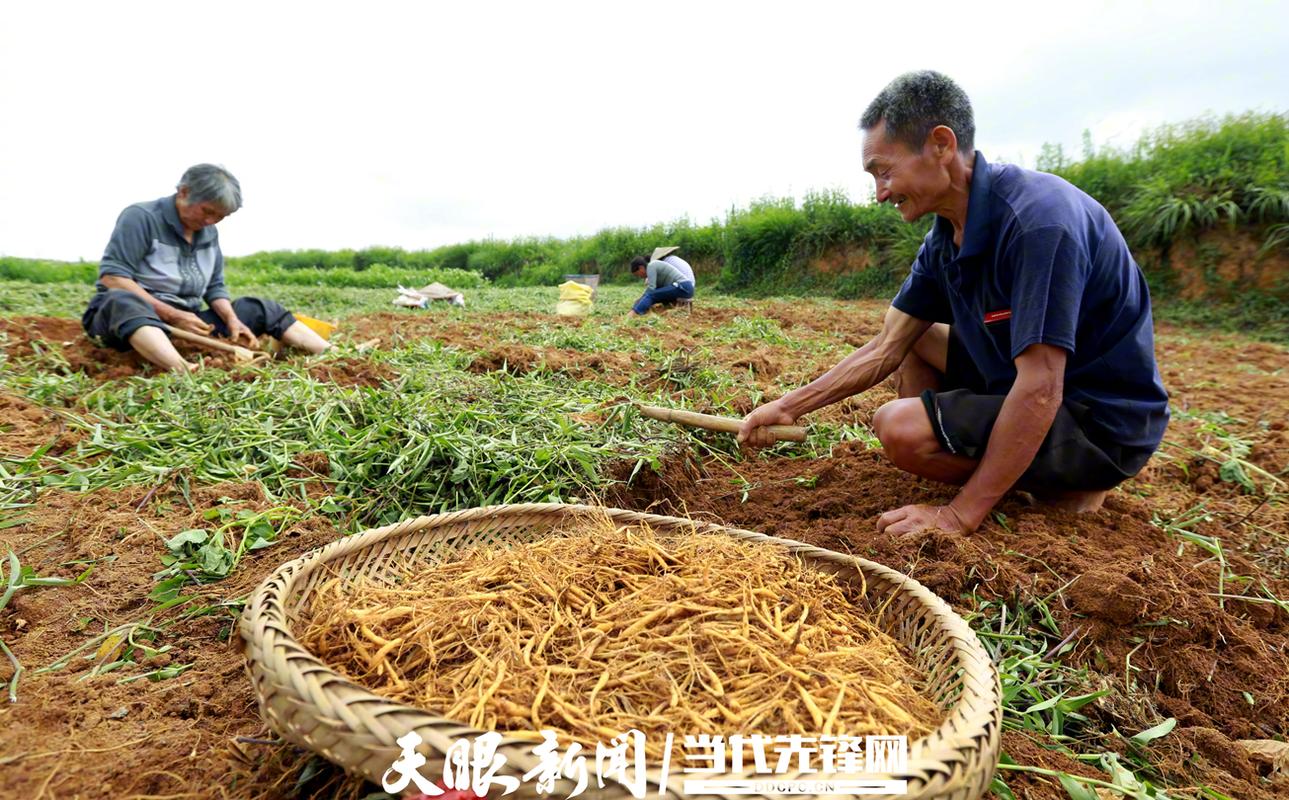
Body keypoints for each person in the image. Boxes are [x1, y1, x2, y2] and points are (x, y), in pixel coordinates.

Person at [737, 71, 1169, 536]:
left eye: (884, 170)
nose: (881, 191)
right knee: (919, 340)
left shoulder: (1038, 224)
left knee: (899, 428)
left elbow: (1043, 386)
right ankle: (982, 459)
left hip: (1095, 421)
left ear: (941, 144)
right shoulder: (946, 236)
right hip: (1024, 385)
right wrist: (788, 406)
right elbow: (889, 345)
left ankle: (1063, 486)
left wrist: (960, 513)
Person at [81, 164, 329, 372]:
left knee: (259, 308)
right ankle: (182, 369)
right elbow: (113, 277)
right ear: (183, 192)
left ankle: (330, 353)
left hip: (186, 322)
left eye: (220, 217)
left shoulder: (207, 233)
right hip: (127, 319)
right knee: (123, 300)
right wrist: (173, 315)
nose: (210, 221)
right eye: (207, 211)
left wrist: (233, 321)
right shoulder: (141, 217)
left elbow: (214, 288)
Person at [628, 246, 696, 315]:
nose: (640, 277)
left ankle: (633, 314)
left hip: (683, 286)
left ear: (641, 268)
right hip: (685, 287)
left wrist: (640, 301)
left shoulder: (651, 266)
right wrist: (642, 300)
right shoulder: (660, 264)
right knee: (657, 293)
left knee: (651, 294)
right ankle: (667, 307)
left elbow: (651, 289)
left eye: (637, 274)